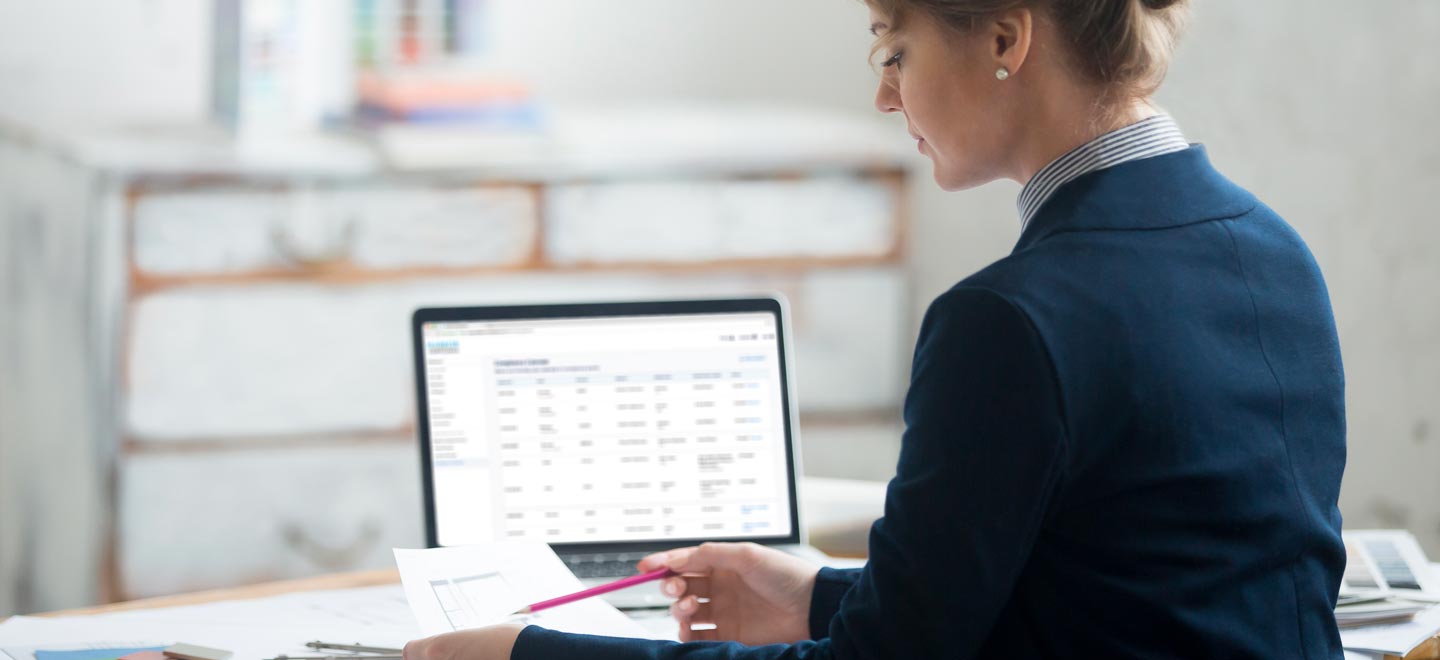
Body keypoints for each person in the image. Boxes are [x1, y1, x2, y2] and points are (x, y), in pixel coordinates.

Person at [403, 0, 1347, 657]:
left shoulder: (1007, 322)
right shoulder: (1276, 250)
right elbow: (1122, 600)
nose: (885, 98)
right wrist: (813, 593)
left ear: (1007, 39)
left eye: (893, 51)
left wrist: (531, 656)